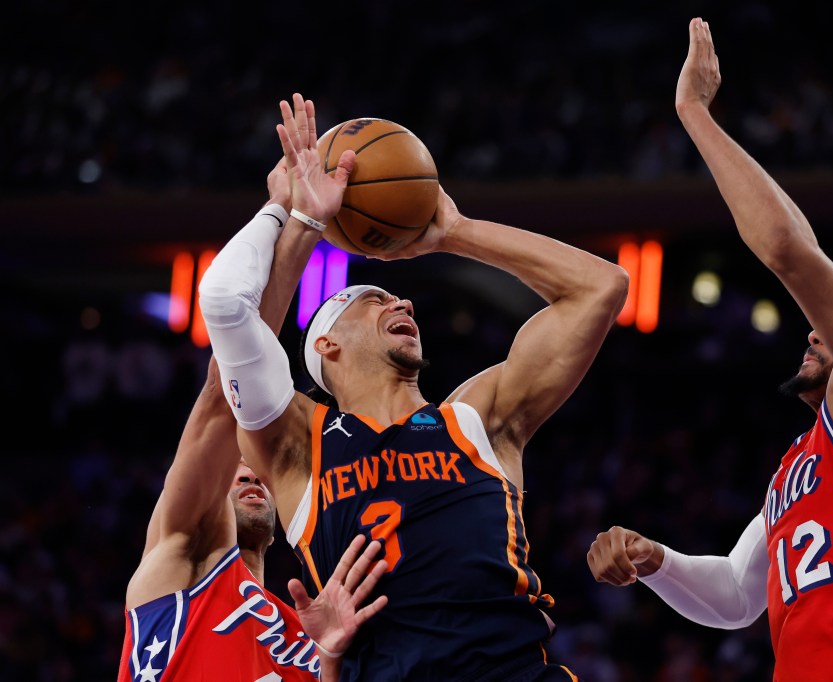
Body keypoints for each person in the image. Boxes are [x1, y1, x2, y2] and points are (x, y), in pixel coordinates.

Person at [196, 92, 629, 680]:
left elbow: (599, 288)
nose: (401, 299)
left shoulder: (478, 418)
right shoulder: (298, 446)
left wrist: (455, 231)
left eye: (398, 296)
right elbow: (237, 327)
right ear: (327, 345)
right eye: (374, 299)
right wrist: (301, 223)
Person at [587, 17, 833, 682]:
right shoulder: (799, 465)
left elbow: (792, 251)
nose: (815, 329)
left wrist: (695, 113)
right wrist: (657, 561)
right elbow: (735, 593)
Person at [119, 155, 388, 682]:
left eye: (257, 469)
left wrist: (332, 658)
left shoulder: (312, 632)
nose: (247, 473)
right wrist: (297, 219)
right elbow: (227, 397)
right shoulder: (185, 564)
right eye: (235, 468)